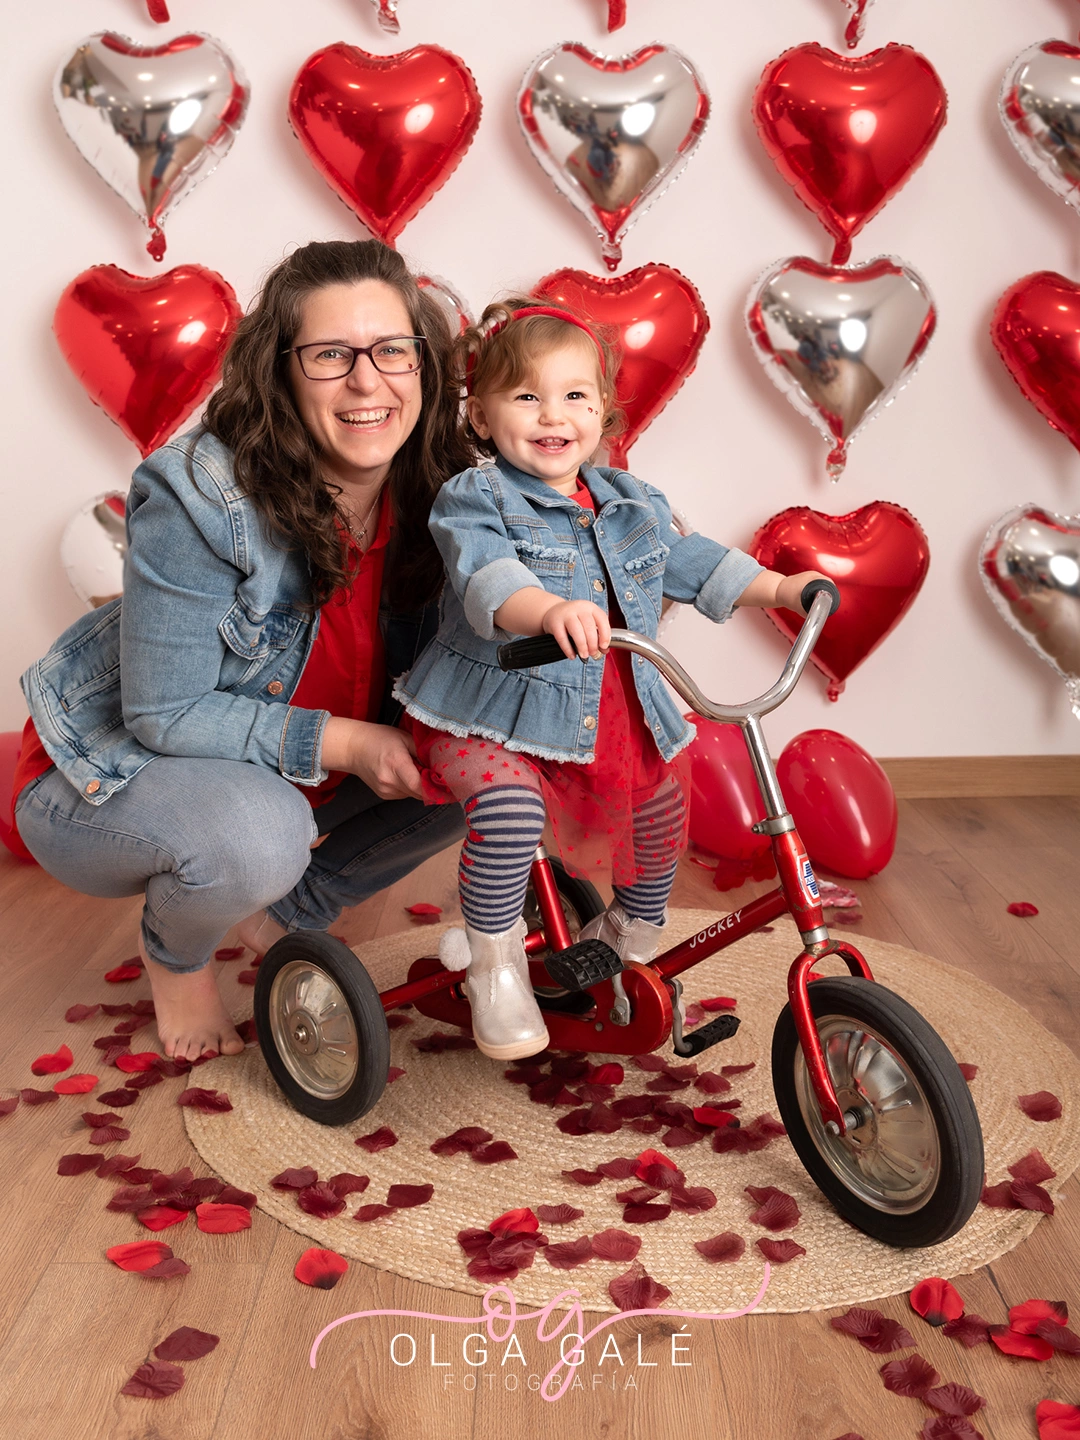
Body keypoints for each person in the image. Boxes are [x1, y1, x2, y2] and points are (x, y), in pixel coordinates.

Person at [13, 239, 470, 1062]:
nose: (368, 382)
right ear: (281, 372)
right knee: (262, 835)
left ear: (424, 364)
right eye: (331, 355)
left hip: (283, 781)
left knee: (494, 755)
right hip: (103, 777)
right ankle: (176, 955)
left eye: (392, 350)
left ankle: (282, 916)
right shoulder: (201, 494)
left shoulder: (444, 490)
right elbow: (164, 712)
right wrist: (349, 743)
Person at [392, 299, 828, 1062]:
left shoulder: (633, 501)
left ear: (602, 409)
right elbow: (488, 580)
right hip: (490, 713)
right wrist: (546, 609)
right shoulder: (476, 498)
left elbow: (695, 563)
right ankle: (494, 964)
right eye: (526, 396)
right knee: (508, 810)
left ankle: (629, 930)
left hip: (613, 713)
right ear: (482, 417)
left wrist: (783, 589)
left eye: (574, 395)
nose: (552, 415)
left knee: (660, 814)